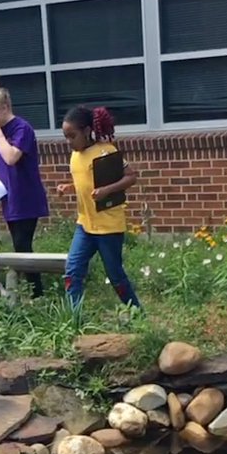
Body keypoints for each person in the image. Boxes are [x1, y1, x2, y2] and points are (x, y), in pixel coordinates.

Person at [56, 105, 142, 311]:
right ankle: (74, 318)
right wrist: (69, 187)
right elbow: (87, 182)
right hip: (85, 225)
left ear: (87, 131)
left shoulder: (106, 152)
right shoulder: (75, 156)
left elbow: (130, 177)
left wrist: (107, 190)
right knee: (72, 271)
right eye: (65, 137)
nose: (69, 142)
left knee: (115, 274)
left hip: (108, 227)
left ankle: (136, 312)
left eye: (73, 136)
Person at [0, 73, 48, 298]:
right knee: (19, 246)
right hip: (10, 198)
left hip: (26, 197)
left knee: (23, 246)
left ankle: (36, 294)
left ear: (3, 109)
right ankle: (30, 292)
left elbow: (11, 157)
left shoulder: (21, 128)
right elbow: (3, 165)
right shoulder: (0, 133)